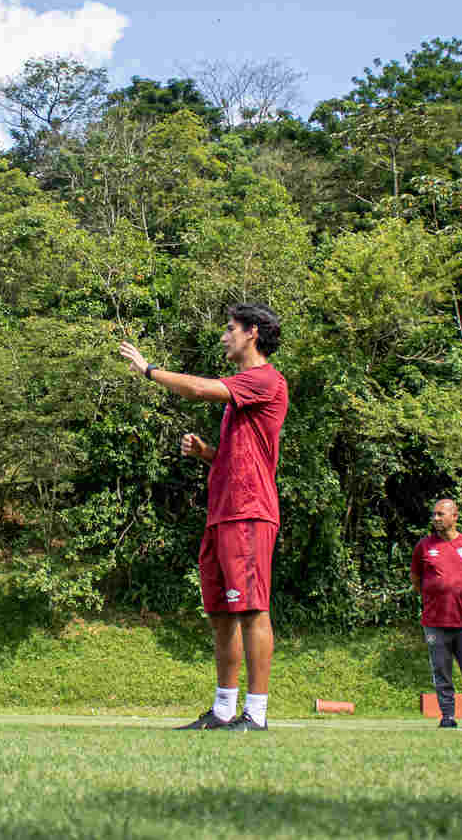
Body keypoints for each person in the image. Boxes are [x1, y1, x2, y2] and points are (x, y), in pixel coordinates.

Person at [120, 303, 289, 732]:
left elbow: (197, 389)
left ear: (252, 333)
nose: (223, 336)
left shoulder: (265, 379)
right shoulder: (244, 393)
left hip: (250, 512)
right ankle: (223, 709)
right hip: (223, 514)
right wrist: (208, 454)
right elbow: (243, 457)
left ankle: (256, 714)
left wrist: (148, 370)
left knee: (252, 610)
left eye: (230, 329)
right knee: (221, 613)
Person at [411, 499, 462, 729]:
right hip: (434, 621)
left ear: (454, 516)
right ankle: (447, 716)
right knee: (441, 670)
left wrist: (459, 593)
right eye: (433, 514)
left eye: (440, 514)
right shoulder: (423, 546)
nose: (435, 518)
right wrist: (433, 596)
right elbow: (416, 580)